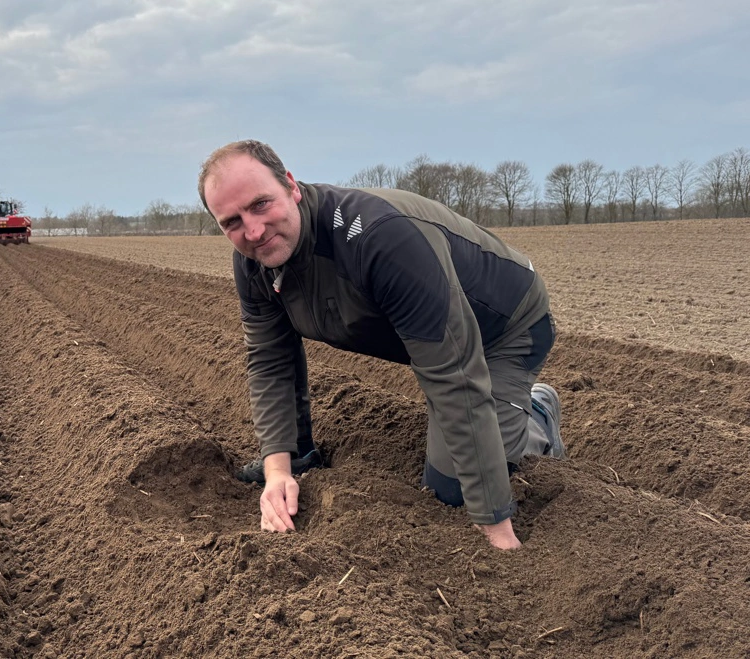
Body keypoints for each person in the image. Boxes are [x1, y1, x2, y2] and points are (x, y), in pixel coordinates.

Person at [198, 140, 566, 550]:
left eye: (261, 204)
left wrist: (498, 528)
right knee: (455, 448)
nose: (252, 230)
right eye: (231, 221)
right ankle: (303, 453)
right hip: (433, 336)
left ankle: (534, 413)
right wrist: (280, 469)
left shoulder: (380, 239)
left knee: (453, 489)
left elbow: (453, 377)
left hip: (504, 326)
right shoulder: (255, 258)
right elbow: (270, 359)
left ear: (291, 186)